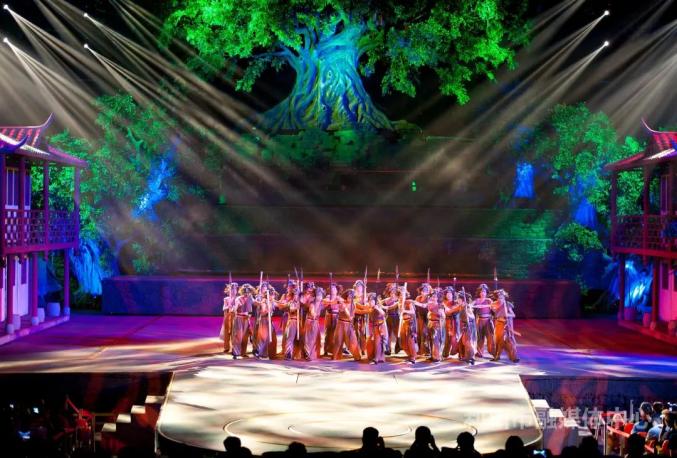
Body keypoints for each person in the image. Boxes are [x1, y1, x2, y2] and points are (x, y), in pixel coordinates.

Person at [333, 289, 362, 361]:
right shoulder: (342, 304)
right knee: (338, 340)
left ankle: (357, 356)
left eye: (351, 297)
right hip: (341, 324)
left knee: (352, 340)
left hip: (348, 324)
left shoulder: (353, 304)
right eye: (349, 296)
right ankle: (335, 356)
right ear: (346, 296)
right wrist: (343, 304)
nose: (350, 298)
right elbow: (348, 315)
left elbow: (352, 315)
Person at [491, 289, 519, 363]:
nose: (500, 299)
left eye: (502, 297)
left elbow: (513, 315)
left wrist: (507, 315)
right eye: (499, 298)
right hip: (498, 324)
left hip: (506, 325)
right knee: (498, 340)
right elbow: (494, 313)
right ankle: (497, 356)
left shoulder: (507, 305)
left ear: (504, 297)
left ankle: (514, 357)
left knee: (509, 341)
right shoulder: (494, 304)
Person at [367, 292, 393, 364]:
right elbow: (370, 321)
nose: (370, 302)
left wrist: (377, 309)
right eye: (369, 301)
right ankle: (379, 358)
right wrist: (371, 331)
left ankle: (376, 359)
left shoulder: (378, 307)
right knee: (375, 343)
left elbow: (383, 314)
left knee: (378, 343)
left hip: (380, 327)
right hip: (374, 327)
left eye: (372, 301)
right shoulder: (370, 309)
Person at [232, 284, 256, 359]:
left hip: (246, 319)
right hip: (239, 318)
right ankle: (236, 353)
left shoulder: (250, 298)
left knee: (245, 337)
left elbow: (255, 303)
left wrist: (262, 301)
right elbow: (236, 308)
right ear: (242, 292)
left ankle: (243, 352)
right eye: (245, 292)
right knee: (238, 336)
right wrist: (235, 307)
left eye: (248, 292)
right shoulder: (238, 299)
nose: (247, 293)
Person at [453, 291, 477, 365]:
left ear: (462, 300)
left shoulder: (467, 307)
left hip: (469, 326)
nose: (457, 300)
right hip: (464, 326)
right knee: (463, 341)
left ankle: (471, 358)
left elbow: (472, 317)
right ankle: (465, 356)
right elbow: (451, 310)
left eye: (459, 299)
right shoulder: (460, 306)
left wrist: (468, 315)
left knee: (468, 342)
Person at [471, 284, 495, 358]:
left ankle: (493, 352)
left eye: (484, 291)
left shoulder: (489, 300)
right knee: (479, 337)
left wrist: (492, 307)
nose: (482, 293)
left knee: (490, 337)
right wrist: (471, 306)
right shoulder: (477, 300)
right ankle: (479, 352)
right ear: (479, 292)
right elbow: (470, 305)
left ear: (486, 292)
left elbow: (494, 308)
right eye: (481, 292)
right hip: (479, 321)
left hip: (488, 321)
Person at [253, 283, 275, 359]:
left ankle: (266, 353)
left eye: (265, 288)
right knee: (261, 336)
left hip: (268, 319)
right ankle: (259, 351)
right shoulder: (262, 299)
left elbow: (276, 304)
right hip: (262, 318)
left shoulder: (270, 300)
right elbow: (257, 305)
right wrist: (265, 308)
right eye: (263, 288)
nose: (264, 289)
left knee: (268, 336)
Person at [303, 286, 325, 361]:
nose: (320, 297)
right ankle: (308, 354)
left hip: (316, 322)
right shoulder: (312, 303)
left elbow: (330, 302)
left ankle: (313, 353)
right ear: (315, 296)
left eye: (321, 295)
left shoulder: (321, 304)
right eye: (318, 295)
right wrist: (313, 313)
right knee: (309, 339)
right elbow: (312, 311)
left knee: (315, 339)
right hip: (310, 322)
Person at [398, 285, 418, 364]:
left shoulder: (408, 302)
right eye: (400, 295)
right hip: (403, 322)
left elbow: (413, 312)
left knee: (410, 340)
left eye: (402, 294)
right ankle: (409, 355)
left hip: (410, 323)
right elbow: (389, 307)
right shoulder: (399, 303)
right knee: (403, 341)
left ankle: (413, 357)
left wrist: (405, 310)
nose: (401, 296)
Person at [322, 282, 343, 357]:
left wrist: (334, 302)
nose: (332, 290)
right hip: (329, 315)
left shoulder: (338, 297)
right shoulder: (328, 296)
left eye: (334, 289)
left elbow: (342, 303)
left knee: (336, 333)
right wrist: (333, 302)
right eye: (331, 289)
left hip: (337, 316)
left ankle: (335, 350)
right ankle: (326, 350)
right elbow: (324, 302)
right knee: (328, 332)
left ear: (337, 290)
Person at [415, 284, 433, 356]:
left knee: (425, 333)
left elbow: (425, 306)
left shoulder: (429, 298)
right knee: (419, 333)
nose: (423, 293)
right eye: (422, 291)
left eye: (425, 291)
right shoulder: (418, 298)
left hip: (428, 317)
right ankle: (420, 350)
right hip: (420, 317)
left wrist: (415, 303)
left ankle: (427, 350)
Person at [442, 287, 460, 359]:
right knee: (447, 337)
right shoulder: (443, 302)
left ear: (453, 294)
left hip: (454, 321)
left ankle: (457, 351)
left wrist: (445, 307)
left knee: (454, 337)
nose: (449, 295)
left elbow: (450, 311)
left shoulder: (456, 302)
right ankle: (445, 353)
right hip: (446, 321)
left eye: (450, 294)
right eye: (447, 294)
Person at [383, 283, 401, 355]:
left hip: (396, 317)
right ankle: (388, 349)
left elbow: (391, 307)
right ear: (389, 293)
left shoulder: (398, 299)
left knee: (397, 334)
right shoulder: (387, 300)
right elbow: (379, 302)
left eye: (394, 293)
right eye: (391, 293)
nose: (392, 294)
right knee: (388, 334)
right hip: (389, 317)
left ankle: (398, 347)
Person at [221, 282, 238, 353]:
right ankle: (226, 347)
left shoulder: (238, 298)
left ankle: (235, 347)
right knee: (227, 332)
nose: (233, 291)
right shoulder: (226, 299)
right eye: (232, 289)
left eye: (235, 289)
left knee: (234, 332)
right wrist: (228, 306)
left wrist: (234, 307)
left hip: (235, 317)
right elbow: (224, 308)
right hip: (228, 317)